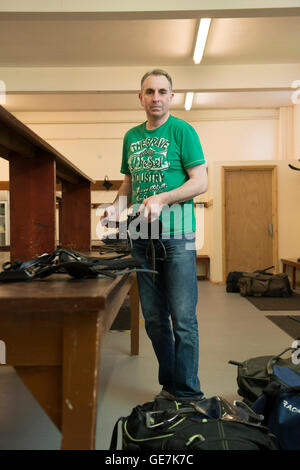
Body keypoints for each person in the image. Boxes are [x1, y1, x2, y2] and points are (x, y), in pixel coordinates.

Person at [101, 69, 207, 400]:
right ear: (141, 97)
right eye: (149, 92)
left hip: (178, 237)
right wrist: (115, 207)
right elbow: (130, 183)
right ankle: (170, 384)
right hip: (140, 236)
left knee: (183, 319)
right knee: (154, 320)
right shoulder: (131, 137)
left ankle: (188, 392)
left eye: (162, 91)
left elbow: (200, 182)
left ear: (171, 97)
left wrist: (162, 198)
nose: (156, 97)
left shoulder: (183, 131)